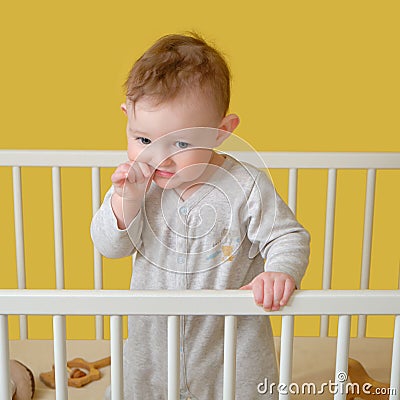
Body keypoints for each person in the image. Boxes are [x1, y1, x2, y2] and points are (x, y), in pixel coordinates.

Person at [91, 32, 310, 400]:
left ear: (221, 132)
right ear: (126, 118)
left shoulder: (245, 187)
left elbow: (288, 236)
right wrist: (124, 200)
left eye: (180, 143)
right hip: (153, 353)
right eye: (143, 140)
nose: (160, 157)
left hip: (231, 354)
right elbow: (110, 246)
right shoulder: (136, 185)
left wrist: (279, 272)